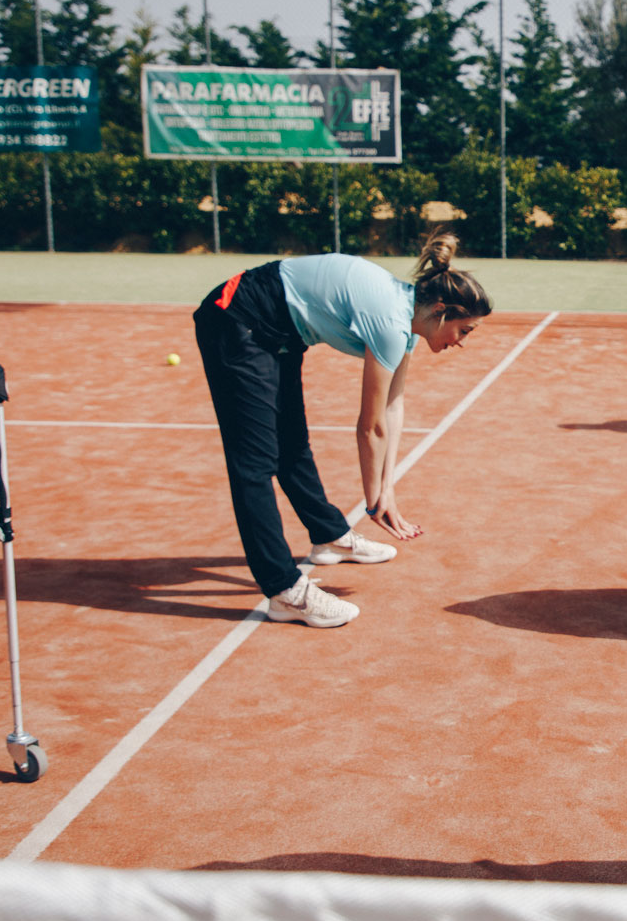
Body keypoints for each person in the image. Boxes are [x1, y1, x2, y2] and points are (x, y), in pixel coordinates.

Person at [193, 234, 491, 628]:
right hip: (238, 318)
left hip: (277, 332)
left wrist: (387, 490)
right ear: (440, 311)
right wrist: (373, 500)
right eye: (465, 330)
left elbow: (392, 408)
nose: (462, 342)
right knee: (254, 463)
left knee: (293, 444)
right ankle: (284, 591)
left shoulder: (405, 324)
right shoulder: (390, 323)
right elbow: (370, 427)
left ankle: (329, 536)